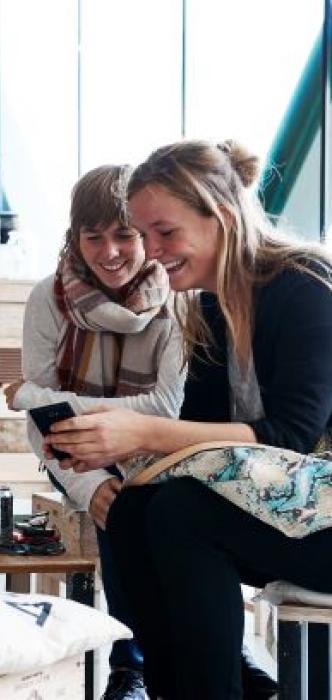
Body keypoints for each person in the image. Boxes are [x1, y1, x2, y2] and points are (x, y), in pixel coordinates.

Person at [44, 140, 332, 699]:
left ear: (221, 217)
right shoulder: (208, 309)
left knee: (184, 515)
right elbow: (202, 448)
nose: (151, 250)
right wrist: (113, 455)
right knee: (131, 511)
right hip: (285, 512)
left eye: (164, 232)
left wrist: (143, 433)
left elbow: (292, 437)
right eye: (144, 234)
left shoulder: (305, 288)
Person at [5, 165, 185, 700]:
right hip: (73, 454)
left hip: (160, 448)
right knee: (120, 506)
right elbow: (46, 426)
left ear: (147, 235)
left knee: (161, 507)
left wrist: (38, 397)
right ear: (74, 239)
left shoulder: (180, 298)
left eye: (125, 235)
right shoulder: (49, 299)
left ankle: (201, 648)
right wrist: (88, 483)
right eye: (93, 237)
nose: (109, 252)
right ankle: (129, 667)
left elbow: (165, 409)